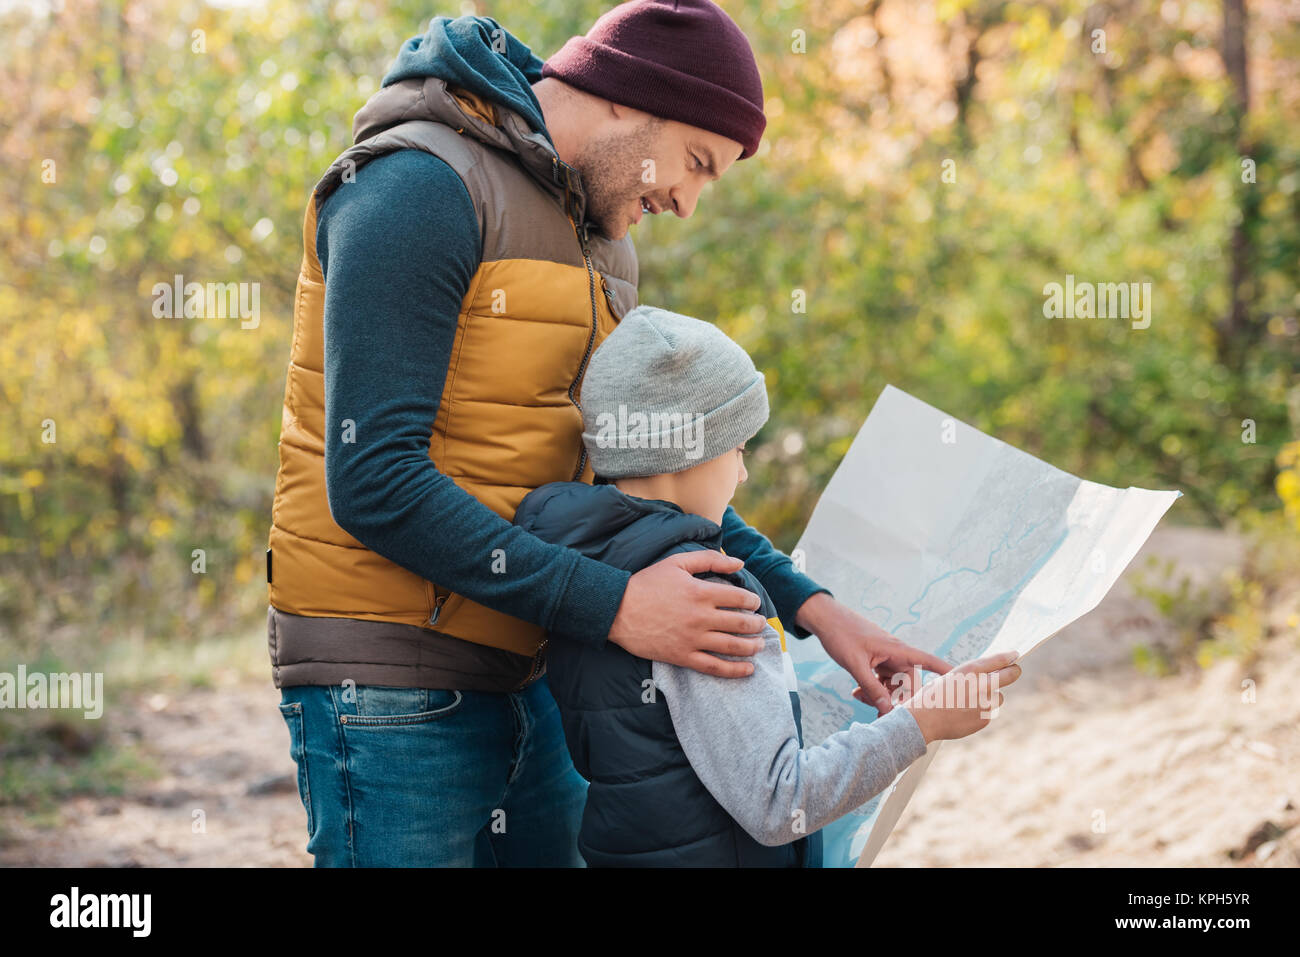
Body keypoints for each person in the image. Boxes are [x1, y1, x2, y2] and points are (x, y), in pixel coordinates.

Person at [268, 1, 950, 867]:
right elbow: (375, 480)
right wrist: (622, 607)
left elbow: (638, 478)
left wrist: (811, 607)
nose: (690, 203)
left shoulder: (602, 240)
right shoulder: (414, 186)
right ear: (630, 99)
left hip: (543, 660)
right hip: (393, 683)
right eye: (698, 163)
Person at [513, 304, 1023, 866]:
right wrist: (921, 724)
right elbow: (779, 801)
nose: (744, 472)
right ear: (686, 455)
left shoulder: (586, 561)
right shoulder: (703, 595)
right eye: (738, 449)